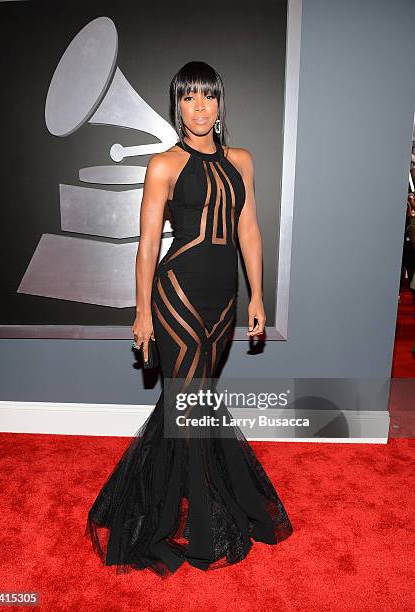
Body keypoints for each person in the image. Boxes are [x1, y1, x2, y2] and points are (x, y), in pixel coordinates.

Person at [86, 61, 293, 578]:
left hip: (224, 299)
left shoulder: (241, 161)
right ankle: (203, 524)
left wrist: (258, 297)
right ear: (177, 105)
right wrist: (141, 314)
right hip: (175, 294)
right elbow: (148, 245)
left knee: (191, 402)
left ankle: (170, 501)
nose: (199, 107)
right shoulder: (164, 165)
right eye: (188, 98)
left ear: (220, 104)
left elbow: (249, 231)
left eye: (208, 97)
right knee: (187, 401)